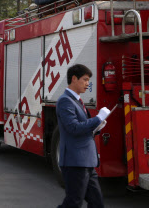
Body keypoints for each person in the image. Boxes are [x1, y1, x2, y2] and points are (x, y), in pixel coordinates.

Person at [56, 64, 110, 208]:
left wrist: (97, 127)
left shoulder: (77, 101)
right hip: (75, 162)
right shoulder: (65, 101)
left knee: (97, 203)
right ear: (74, 79)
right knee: (73, 202)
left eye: (88, 80)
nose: (88, 83)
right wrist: (98, 118)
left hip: (86, 161)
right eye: (85, 79)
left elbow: (83, 127)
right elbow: (73, 128)